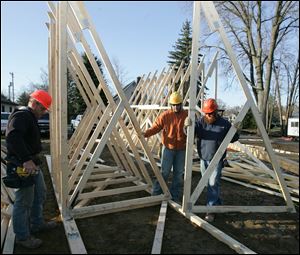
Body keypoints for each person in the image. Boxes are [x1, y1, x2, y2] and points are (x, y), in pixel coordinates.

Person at [5, 90, 57, 249]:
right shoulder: (22, 116)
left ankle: (37, 223)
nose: (42, 114)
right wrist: (26, 160)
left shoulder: (29, 116)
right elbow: (13, 137)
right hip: (23, 165)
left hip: (32, 164)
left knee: (40, 192)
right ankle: (22, 236)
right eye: (42, 109)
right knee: (24, 201)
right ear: (34, 103)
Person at [185, 98, 239, 222]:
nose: (208, 116)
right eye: (206, 113)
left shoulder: (224, 124)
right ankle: (216, 202)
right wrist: (186, 127)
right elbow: (189, 135)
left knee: (213, 183)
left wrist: (235, 130)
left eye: (210, 113)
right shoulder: (200, 123)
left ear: (215, 112)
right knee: (208, 184)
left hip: (217, 159)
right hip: (204, 158)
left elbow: (234, 138)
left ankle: (211, 209)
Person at [142, 91, 188, 203]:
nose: (176, 107)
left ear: (181, 104)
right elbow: (156, 127)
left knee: (178, 174)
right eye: (174, 104)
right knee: (164, 172)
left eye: (178, 104)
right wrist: (145, 133)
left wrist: (191, 124)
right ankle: (156, 193)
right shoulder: (165, 115)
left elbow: (193, 129)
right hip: (168, 148)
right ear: (170, 104)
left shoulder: (187, 115)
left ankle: (175, 196)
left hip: (181, 149)